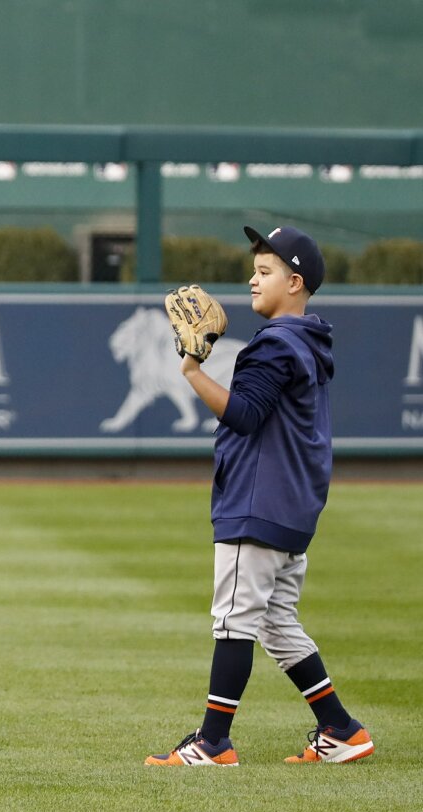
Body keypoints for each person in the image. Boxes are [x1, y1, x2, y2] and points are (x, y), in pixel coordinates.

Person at [146, 225, 373, 767]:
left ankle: (212, 741)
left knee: (234, 620)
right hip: (291, 507)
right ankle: (342, 730)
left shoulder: (275, 343)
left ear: (295, 283)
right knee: (275, 624)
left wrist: (191, 369)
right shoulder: (307, 341)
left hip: (258, 503)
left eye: (266, 271)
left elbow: (244, 416)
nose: (253, 278)